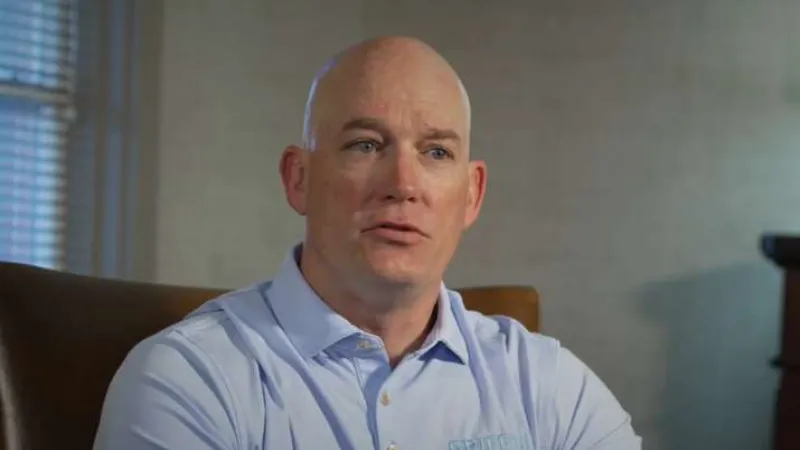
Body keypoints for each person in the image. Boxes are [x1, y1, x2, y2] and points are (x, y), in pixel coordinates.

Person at [93, 36, 641, 450]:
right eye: (365, 144)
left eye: (436, 153)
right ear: (298, 178)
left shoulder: (546, 384)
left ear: (471, 194)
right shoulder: (188, 379)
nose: (402, 184)